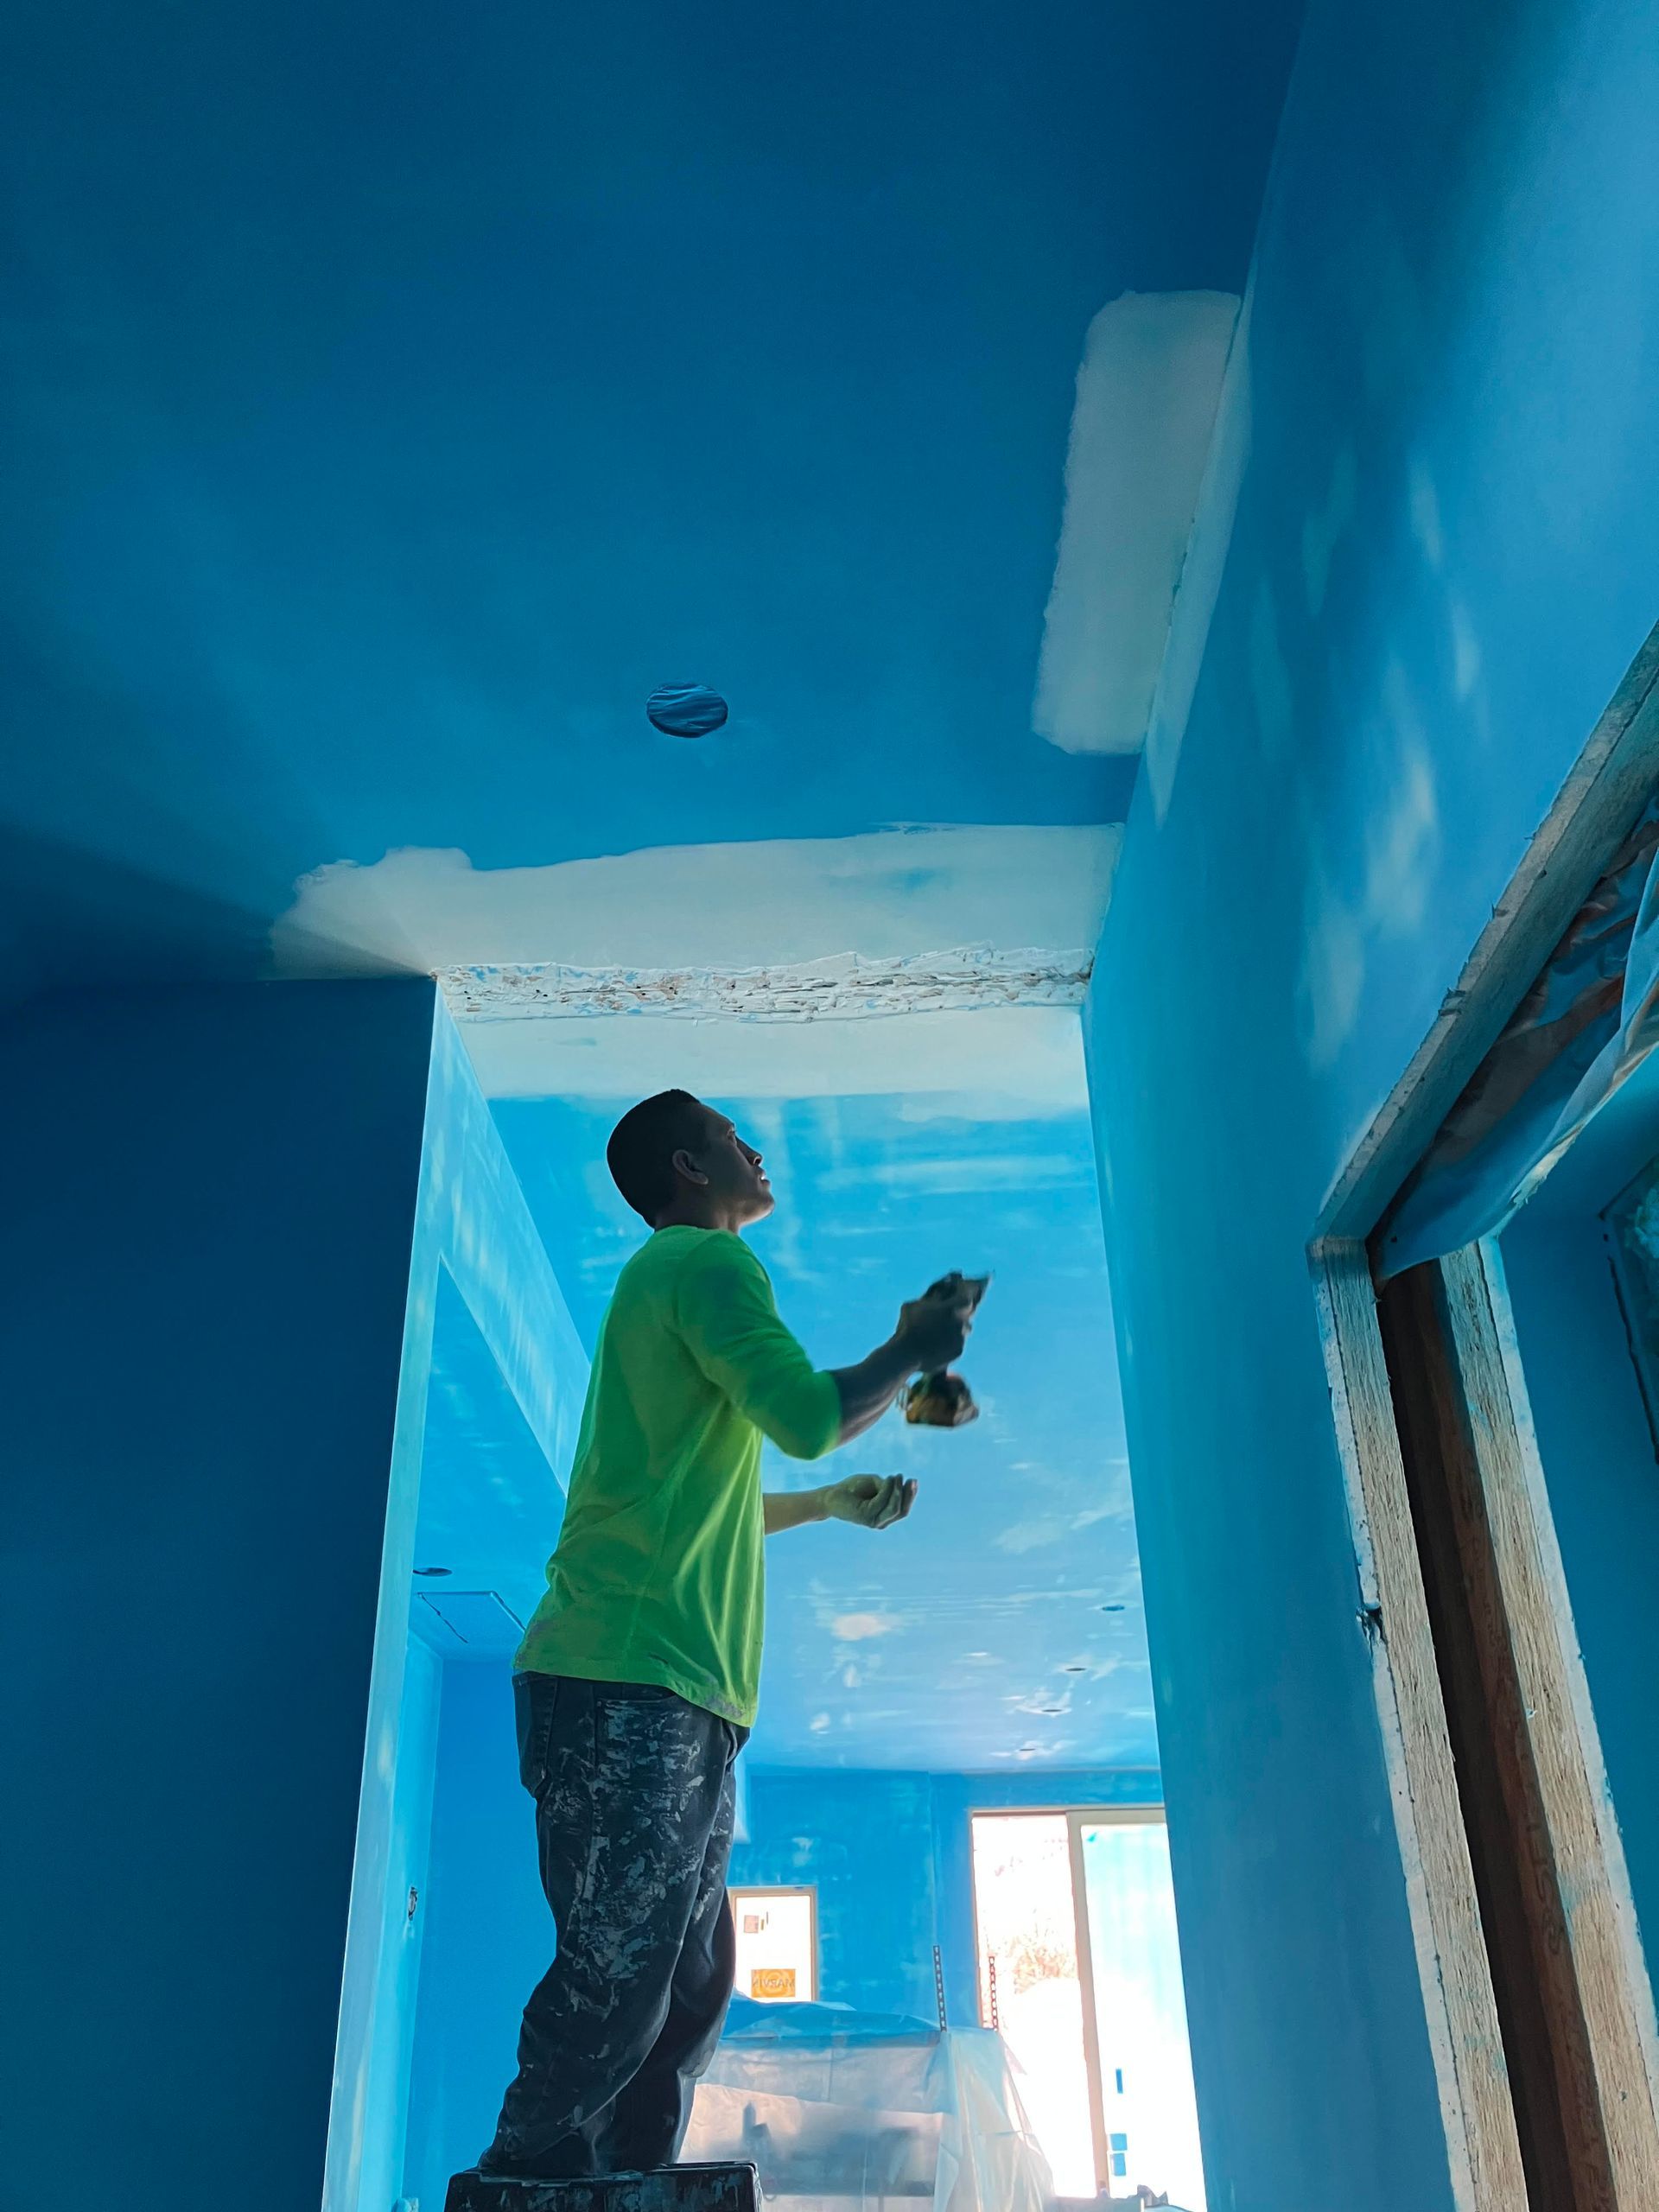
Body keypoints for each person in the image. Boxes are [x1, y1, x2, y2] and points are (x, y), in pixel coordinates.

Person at [472, 1089, 979, 2183]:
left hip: (676, 1691)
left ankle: (627, 2183)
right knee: (621, 1968)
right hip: (624, 1677)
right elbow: (807, 1414)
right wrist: (910, 1347)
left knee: (690, 1985)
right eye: (729, 1135)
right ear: (691, 1171)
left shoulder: (670, 1286)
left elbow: (713, 1502)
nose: (754, 1146)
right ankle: (526, 2183)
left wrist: (826, 1505)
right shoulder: (704, 1261)